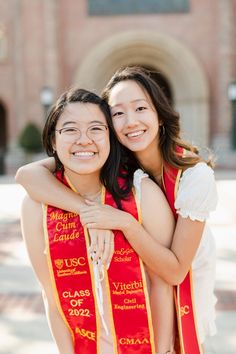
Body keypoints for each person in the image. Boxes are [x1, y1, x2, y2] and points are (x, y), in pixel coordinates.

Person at [16, 66, 218, 353]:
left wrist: (123, 222)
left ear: (159, 114)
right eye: (118, 113)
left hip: (182, 285)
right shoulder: (104, 155)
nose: (130, 121)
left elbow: (171, 274)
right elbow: (27, 175)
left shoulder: (185, 180)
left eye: (140, 108)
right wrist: (92, 214)